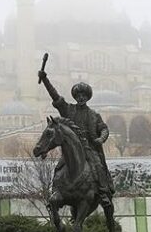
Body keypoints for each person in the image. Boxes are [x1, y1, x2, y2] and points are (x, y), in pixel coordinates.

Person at [38, 69, 114, 207]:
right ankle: (55, 192)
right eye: (78, 95)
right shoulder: (68, 110)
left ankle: (103, 193)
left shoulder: (94, 115)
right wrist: (45, 80)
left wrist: (100, 139)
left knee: (98, 166)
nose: (81, 98)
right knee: (59, 168)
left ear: (87, 97)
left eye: (83, 95)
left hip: (89, 149)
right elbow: (56, 97)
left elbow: (104, 129)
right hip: (72, 149)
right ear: (75, 97)